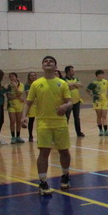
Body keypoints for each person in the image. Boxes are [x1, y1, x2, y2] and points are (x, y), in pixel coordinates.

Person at [22, 56, 73, 196]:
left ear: (56, 66)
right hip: (43, 123)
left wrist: (65, 106)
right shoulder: (36, 84)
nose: (48, 62)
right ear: (42, 66)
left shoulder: (62, 83)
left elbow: (70, 102)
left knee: (64, 151)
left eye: (51, 61)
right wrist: (24, 116)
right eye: (45, 61)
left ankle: (65, 175)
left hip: (60, 123)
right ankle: (43, 182)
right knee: (44, 152)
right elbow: (28, 102)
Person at [86, 70, 108, 136]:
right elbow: (87, 90)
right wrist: (91, 95)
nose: (103, 76)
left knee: (104, 116)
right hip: (97, 101)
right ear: (98, 75)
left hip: (104, 101)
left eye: (103, 74)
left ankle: (106, 130)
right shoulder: (94, 83)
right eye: (102, 74)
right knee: (99, 116)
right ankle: (100, 130)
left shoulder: (105, 82)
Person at [64, 66, 85, 137]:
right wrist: (75, 85)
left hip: (77, 101)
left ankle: (79, 132)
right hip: (68, 102)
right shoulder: (63, 80)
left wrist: (72, 84)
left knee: (77, 117)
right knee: (66, 118)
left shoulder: (76, 79)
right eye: (72, 71)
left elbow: (80, 85)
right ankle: (64, 132)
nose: (74, 72)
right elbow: (66, 86)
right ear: (68, 72)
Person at [5, 73, 26, 144]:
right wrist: (18, 97)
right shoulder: (8, 86)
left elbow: (19, 93)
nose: (12, 78)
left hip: (19, 105)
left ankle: (18, 136)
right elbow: (9, 97)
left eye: (13, 76)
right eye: (10, 77)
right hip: (11, 105)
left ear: (16, 77)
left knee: (18, 121)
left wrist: (15, 87)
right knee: (12, 121)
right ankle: (13, 137)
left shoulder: (21, 84)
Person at [24, 72, 38, 143]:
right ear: (29, 77)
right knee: (31, 120)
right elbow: (29, 95)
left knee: (40, 120)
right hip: (32, 104)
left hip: (39, 103)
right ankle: (30, 135)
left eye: (34, 75)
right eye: (31, 75)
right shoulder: (27, 85)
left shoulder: (39, 84)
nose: (33, 77)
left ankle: (41, 135)